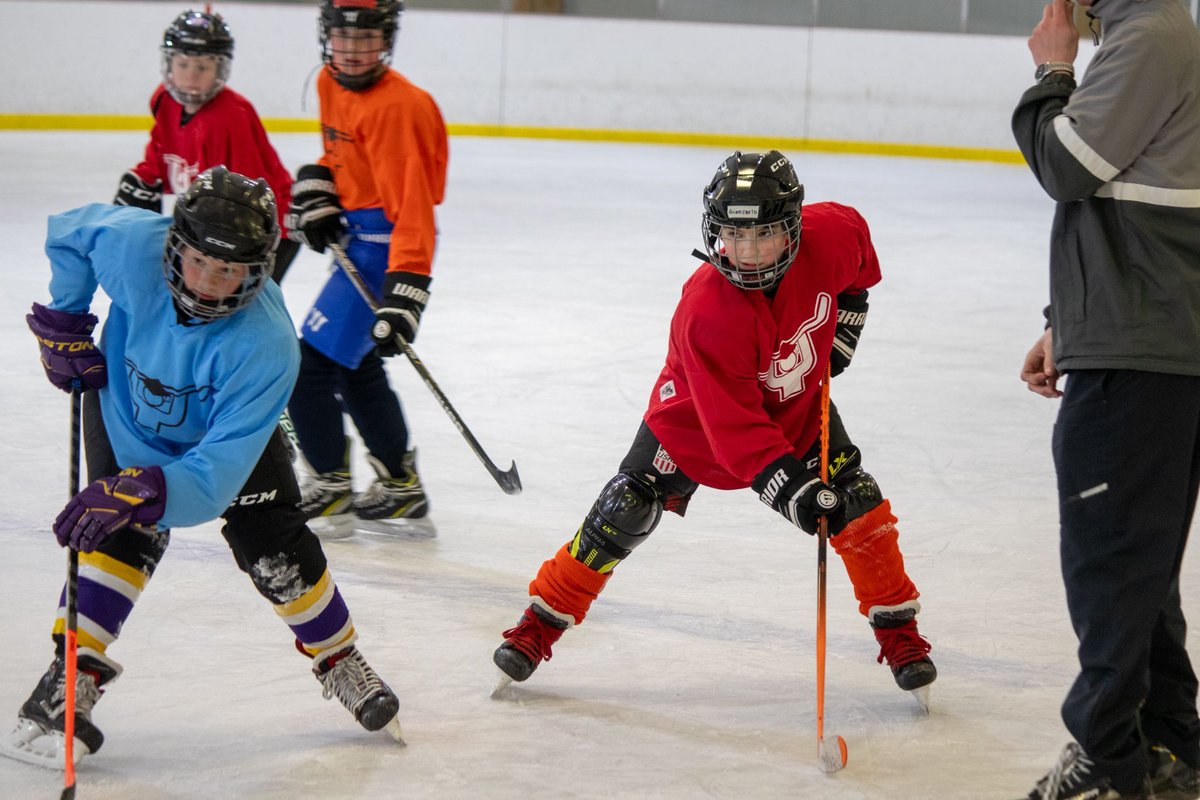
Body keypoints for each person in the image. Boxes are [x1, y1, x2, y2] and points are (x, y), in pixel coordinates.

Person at [491, 150, 937, 701]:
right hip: (696, 421)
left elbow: (859, 266)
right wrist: (792, 490)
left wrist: (846, 325)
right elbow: (736, 430)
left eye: (765, 234)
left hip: (796, 405)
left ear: (794, 228)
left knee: (859, 504)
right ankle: (541, 622)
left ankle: (899, 632)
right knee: (625, 509)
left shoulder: (833, 233)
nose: (746, 253)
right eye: (733, 235)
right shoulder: (706, 309)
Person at [1, 167, 401, 769]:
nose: (211, 284)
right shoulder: (135, 246)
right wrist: (66, 317)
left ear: (259, 268)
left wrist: (153, 488)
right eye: (198, 263)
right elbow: (71, 232)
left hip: (221, 440)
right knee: (114, 534)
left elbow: (214, 477)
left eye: (231, 270)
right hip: (126, 415)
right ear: (173, 245)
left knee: (274, 543)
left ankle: (340, 657)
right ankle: (66, 679)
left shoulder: (267, 344)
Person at [1012, 0, 1200, 797]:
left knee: (1113, 561)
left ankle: (1109, 766)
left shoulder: (1150, 32)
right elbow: (1131, 190)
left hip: (1145, 345)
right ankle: (1170, 749)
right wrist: (1069, 322)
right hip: (1137, 332)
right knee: (1140, 561)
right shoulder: (1156, 32)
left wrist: (1051, 72)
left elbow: (1069, 167)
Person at [286, 0, 448, 537]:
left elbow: (416, 212)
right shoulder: (330, 85)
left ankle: (331, 483)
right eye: (342, 37)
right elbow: (342, 158)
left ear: (388, 39)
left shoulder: (400, 107)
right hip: (359, 242)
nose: (353, 51)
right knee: (355, 367)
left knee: (307, 369)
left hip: (384, 252)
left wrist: (406, 292)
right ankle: (400, 484)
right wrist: (321, 184)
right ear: (325, 37)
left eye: (367, 38)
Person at [113, 9, 299, 281]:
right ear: (169, 63)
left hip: (268, 229)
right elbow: (162, 152)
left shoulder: (232, 116)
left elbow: (248, 193)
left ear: (220, 69)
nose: (191, 76)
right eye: (183, 64)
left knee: (234, 311)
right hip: (213, 219)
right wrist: (142, 179)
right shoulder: (163, 100)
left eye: (202, 66)